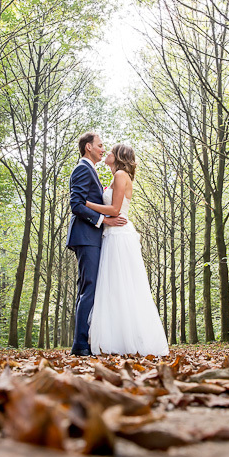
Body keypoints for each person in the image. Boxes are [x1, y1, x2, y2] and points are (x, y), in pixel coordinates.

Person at [85, 143, 169, 356]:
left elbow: (114, 209)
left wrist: (87, 204)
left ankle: (132, 340)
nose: (107, 153)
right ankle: (117, 339)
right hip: (111, 234)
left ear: (119, 156)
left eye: (111, 151)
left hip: (120, 235)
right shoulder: (116, 176)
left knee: (124, 285)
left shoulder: (121, 175)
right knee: (113, 286)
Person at [66, 132, 127, 356]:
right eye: (100, 146)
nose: (103, 149)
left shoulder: (90, 169)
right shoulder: (82, 168)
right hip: (85, 236)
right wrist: (104, 220)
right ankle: (80, 345)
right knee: (88, 288)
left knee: (89, 287)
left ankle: (86, 341)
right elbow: (77, 205)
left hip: (91, 236)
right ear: (89, 147)